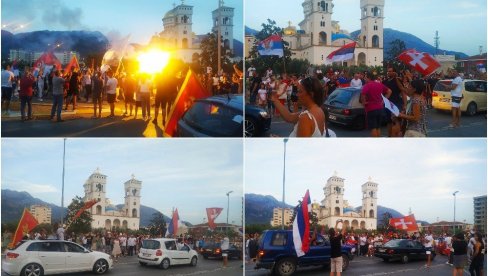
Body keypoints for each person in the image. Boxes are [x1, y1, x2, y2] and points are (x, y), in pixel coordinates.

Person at [360, 72, 392, 137]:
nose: (364, 79)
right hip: (380, 108)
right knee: (378, 127)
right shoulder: (379, 84)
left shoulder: (367, 85)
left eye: (365, 77)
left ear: (368, 78)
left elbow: (363, 95)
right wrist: (384, 100)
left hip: (371, 108)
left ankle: (375, 144)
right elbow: (389, 91)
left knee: (373, 128)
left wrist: (364, 102)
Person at [383, 68, 407, 137]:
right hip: (387, 104)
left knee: (396, 121)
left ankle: (397, 137)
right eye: (388, 71)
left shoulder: (398, 81)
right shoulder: (384, 81)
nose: (388, 73)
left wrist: (405, 105)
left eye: (390, 71)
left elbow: (403, 93)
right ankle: (389, 136)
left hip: (396, 104)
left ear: (394, 72)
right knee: (389, 121)